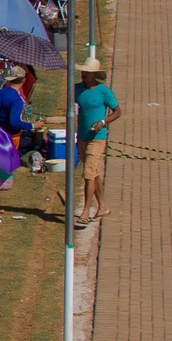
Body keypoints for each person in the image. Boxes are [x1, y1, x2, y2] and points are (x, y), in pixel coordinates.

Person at [75, 55, 119, 222]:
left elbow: (118, 111)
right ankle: (103, 207)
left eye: (87, 73)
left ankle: (85, 211)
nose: (84, 75)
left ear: (94, 74)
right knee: (93, 173)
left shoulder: (104, 92)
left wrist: (103, 122)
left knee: (88, 174)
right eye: (83, 72)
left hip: (97, 138)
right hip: (82, 137)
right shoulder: (76, 89)